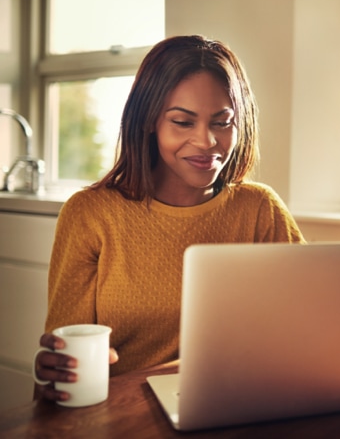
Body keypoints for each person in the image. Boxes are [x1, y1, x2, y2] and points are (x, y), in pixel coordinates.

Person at [33, 35, 305, 403]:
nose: (207, 141)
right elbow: (61, 364)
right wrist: (55, 372)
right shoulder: (91, 214)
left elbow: (310, 326)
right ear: (149, 121)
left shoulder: (260, 210)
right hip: (121, 416)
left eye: (223, 122)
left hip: (234, 404)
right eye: (183, 122)